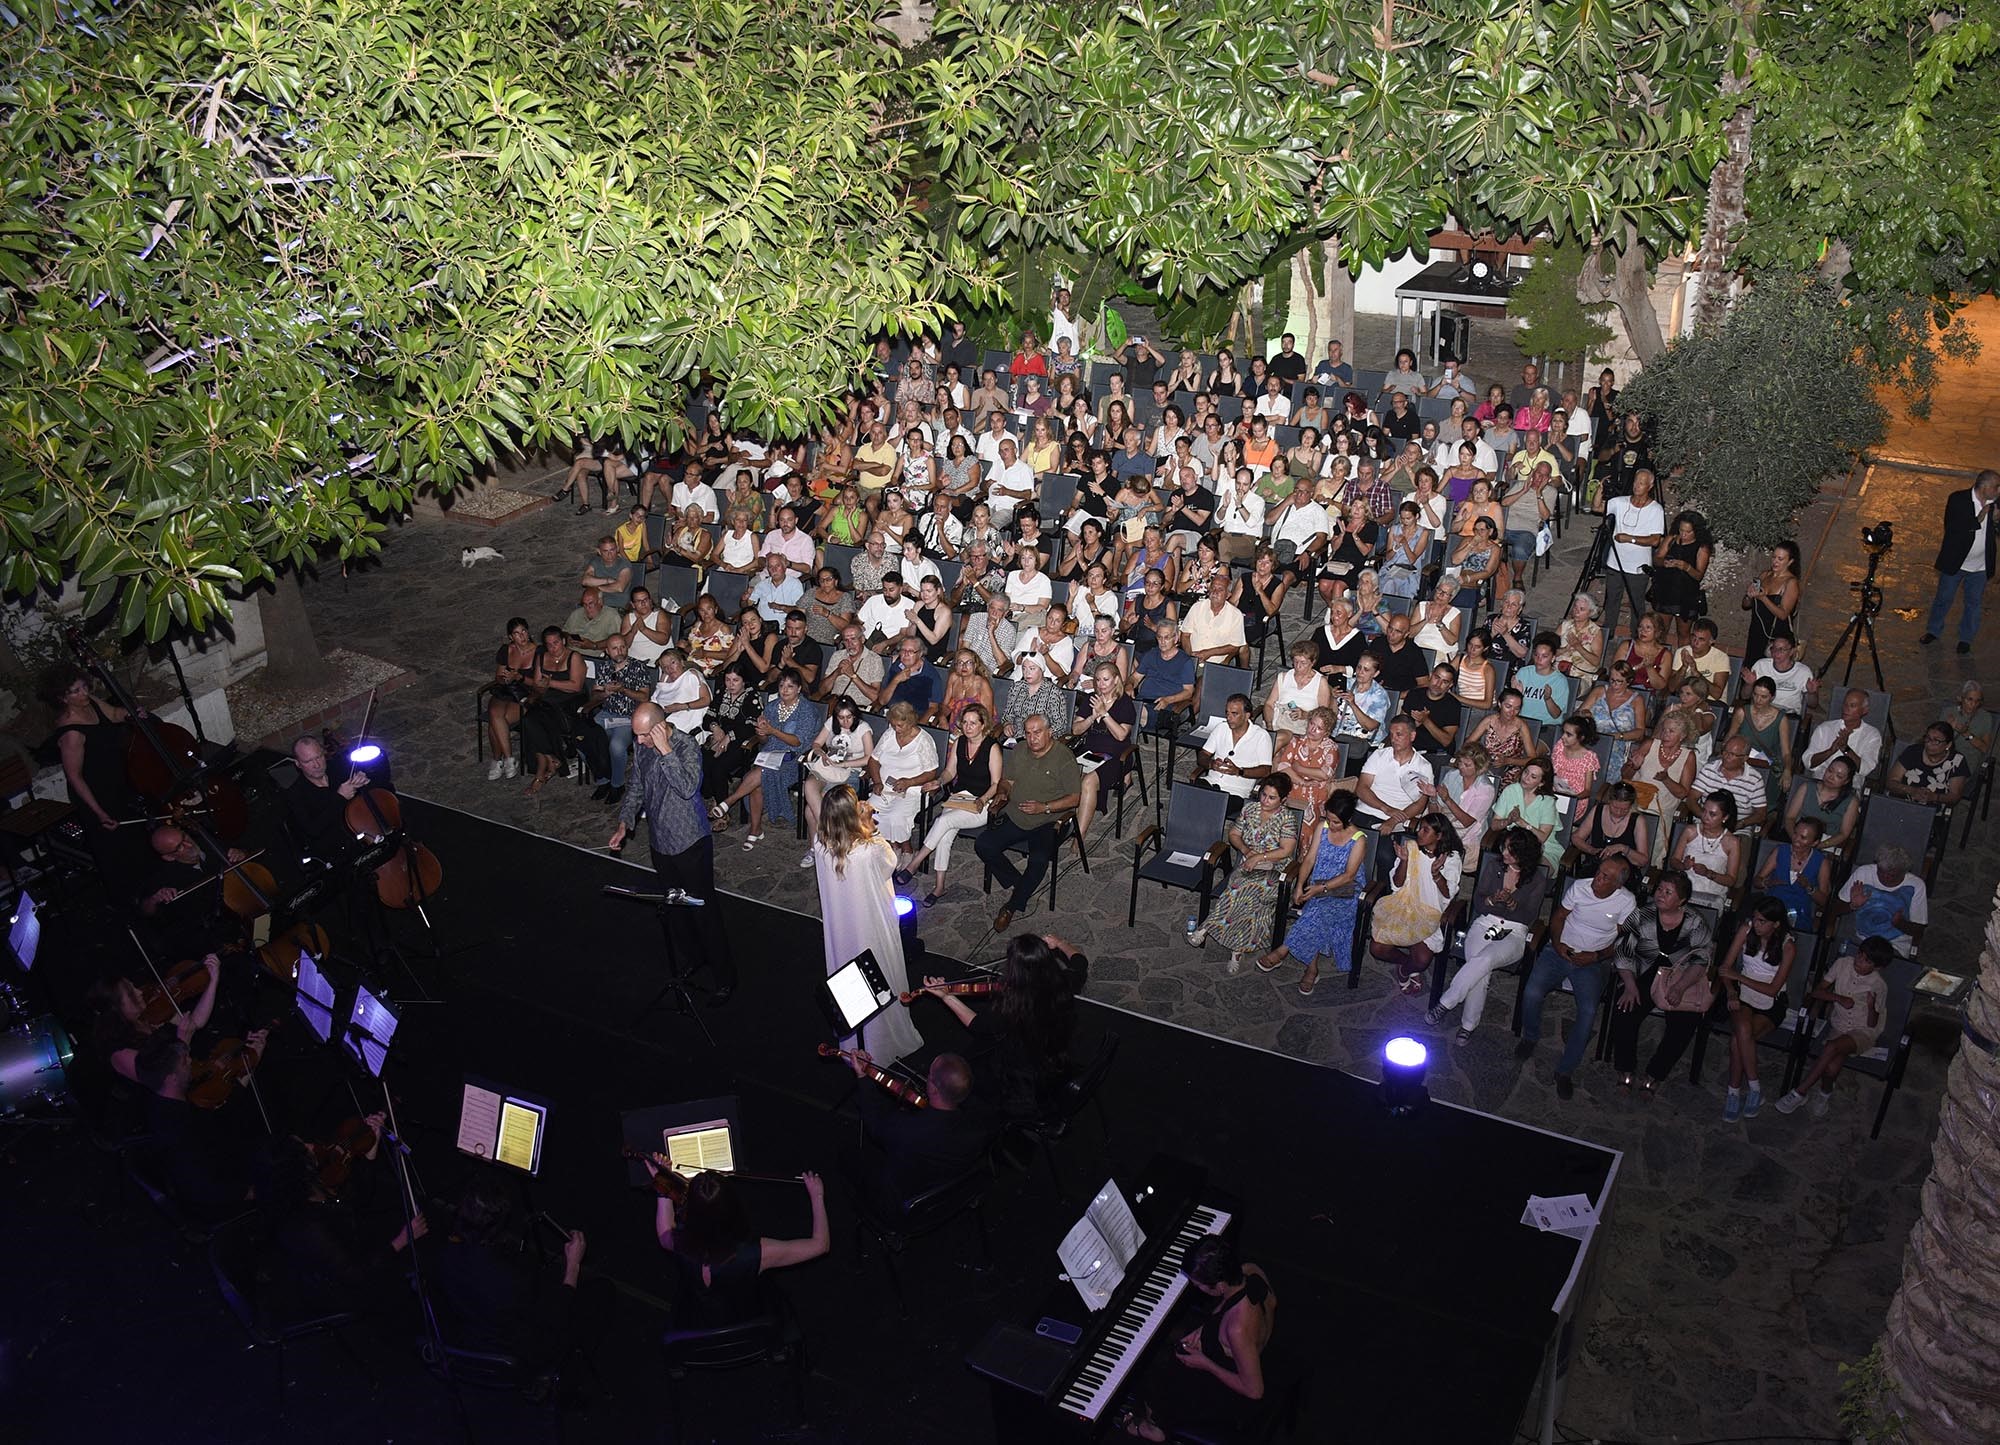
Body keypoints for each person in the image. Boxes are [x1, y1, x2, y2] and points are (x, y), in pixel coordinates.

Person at [611, 704, 735, 995]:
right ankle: (693, 958)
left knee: (704, 910)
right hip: (660, 842)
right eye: (636, 735)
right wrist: (624, 822)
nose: (638, 742)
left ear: (658, 727)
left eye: (643, 735)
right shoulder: (643, 746)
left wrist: (666, 750)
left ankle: (725, 977)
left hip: (690, 842)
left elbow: (688, 787)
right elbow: (637, 787)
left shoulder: (686, 746)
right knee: (675, 908)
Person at [1114, 1235, 1276, 1443]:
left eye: (1198, 1285)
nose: (1195, 1287)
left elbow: (1255, 1391)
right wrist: (1208, 1329)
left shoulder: (1237, 1328)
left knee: (1153, 1369)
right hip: (1247, 1349)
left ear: (1219, 1287)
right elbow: (1270, 1303)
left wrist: (1207, 1363)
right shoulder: (1251, 1270)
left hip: (1232, 1390)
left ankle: (1156, 1427)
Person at [812, 787, 925, 1061]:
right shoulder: (868, 850)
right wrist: (870, 828)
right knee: (881, 971)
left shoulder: (820, 843)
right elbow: (891, 863)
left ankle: (855, 1040)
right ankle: (885, 1041)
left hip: (842, 926)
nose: (863, 802)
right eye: (856, 802)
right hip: (870, 923)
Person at [642, 1165, 828, 1327]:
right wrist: (817, 1195)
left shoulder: (677, 1242)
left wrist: (662, 1183)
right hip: (749, 1318)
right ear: (732, 1208)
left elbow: (664, 1229)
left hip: (696, 1318)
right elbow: (820, 1245)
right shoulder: (759, 1252)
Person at [1515, 856, 1639, 1098]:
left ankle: (1565, 1070)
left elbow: (1626, 941)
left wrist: (1596, 956)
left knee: (1589, 1011)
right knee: (1532, 991)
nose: (1597, 879)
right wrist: (1559, 944)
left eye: (1605, 877)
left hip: (1592, 962)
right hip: (1560, 950)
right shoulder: (1580, 887)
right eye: (1599, 872)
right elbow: (1559, 916)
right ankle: (1530, 1036)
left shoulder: (1626, 902)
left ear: (1618, 885)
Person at [1427, 827, 1548, 1044]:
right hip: (1486, 922)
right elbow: (1480, 899)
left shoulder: (1536, 879)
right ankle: (1468, 1026)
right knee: (1480, 970)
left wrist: (1512, 904)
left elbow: (1529, 916)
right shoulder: (1494, 866)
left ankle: (1446, 1002)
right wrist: (1492, 900)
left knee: (1484, 959)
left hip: (1515, 931)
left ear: (1524, 854)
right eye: (1504, 847)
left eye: (1510, 850)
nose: (1504, 853)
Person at [838, 1049, 993, 1212]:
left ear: (933, 1089)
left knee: (849, 1156)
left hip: (900, 1205)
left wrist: (863, 1078)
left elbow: (876, 1125)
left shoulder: (909, 1130)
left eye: (930, 1075)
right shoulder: (979, 1126)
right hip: (947, 1194)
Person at [1605, 869, 1716, 1092]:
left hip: (1680, 976)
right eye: (1659, 889)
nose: (1660, 895)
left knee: (1683, 1025)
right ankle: (1625, 1068)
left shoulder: (1695, 923)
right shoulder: (1642, 915)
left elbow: (1701, 960)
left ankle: (1655, 1073)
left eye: (1668, 892)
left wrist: (1680, 987)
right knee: (1625, 1009)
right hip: (1644, 972)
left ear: (1682, 900)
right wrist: (1629, 984)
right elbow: (1623, 951)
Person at [975, 713, 1083, 931]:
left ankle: (1011, 906)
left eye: (1038, 732)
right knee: (983, 844)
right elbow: (1007, 780)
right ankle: (1020, 882)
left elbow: (1075, 798)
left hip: (1048, 820)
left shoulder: (1063, 757)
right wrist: (1003, 792)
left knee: (1039, 860)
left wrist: (1044, 807)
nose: (1032, 738)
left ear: (1050, 733)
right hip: (1017, 815)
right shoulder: (1020, 750)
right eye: (1028, 733)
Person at [43, 664, 145, 881]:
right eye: (76, 691)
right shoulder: (72, 733)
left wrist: (131, 713)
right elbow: (74, 777)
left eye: (84, 687)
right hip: (97, 792)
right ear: (63, 698)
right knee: (116, 849)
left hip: (117, 780)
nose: (84, 693)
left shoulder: (92, 703)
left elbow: (115, 714)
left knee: (137, 836)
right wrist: (99, 812)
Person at [1258, 791, 1366, 995]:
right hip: (1320, 888)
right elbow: (1308, 860)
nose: (1331, 825)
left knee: (1318, 909)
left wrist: (1320, 888)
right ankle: (1311, 968)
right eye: (1329, 819)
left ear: (1348, 819)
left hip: (1346, 892)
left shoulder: (1358, 840)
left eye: (1336, 822)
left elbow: (1349, 876)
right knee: (1318, 909)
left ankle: (1284, 950)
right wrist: (1300, 885)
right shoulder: (1322, 828)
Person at [1191, 776, 1302, 974]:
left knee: (1253, 891)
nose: (1265, 801)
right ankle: (1236, 948)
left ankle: (1213, 933)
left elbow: (1286, 850)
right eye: (1264, 795)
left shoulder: (1287, 818)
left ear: (1283, 800)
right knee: (1238, 888)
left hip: (1277, 870)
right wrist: (1247, 851)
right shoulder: (1249, 810)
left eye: (1272, 798)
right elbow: (1234, 834)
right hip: (1250, 866)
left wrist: (1260, 856)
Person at [1774, 937, 1893, 1117]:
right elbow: (1817, 991)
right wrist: (1838, 998)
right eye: (1859, 955)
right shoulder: (1843, 964)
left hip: (1863, 1031)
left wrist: (1870, 1006)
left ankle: (1800, 1091)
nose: (1859, 962)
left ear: (1877, 967)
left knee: (1831, 1046)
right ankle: (1824, 1094)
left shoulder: (1879, 985)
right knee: (1830, 1069)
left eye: (1866, 961)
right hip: (1840, 1025)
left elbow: (1872, 1023)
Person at [906, 703, 1003, 905]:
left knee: (943, 822)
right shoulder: (959, 742)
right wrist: (939, 781)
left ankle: (915, 862)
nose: (968, 727)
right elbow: (950, 772)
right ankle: (939, 886)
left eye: (973, 723)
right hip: (960, 798)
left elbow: (996, 783)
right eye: (965, 723)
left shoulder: (992, 747)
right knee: (945, 834)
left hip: (982, 803)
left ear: (983, 725)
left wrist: (982, 799)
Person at [1716, 895, 1797, 1120]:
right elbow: (1725, 968)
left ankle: (1736, 1091)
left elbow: (1773, 989)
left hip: (1771, 1001)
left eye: (1762, 921)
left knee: (1738, 1040)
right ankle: (1752, 1089)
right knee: (1742, 1031)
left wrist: (1738, 976)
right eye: (1755, 919)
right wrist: (1732, 990)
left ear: (1776, 924)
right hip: (1742, 995)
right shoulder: (1747, 930)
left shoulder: (1787, 946)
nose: (1757, 925)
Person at [721, 668, 820, 849]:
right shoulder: (772, 707)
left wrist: (772, 731)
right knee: (758, 779)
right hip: (771, 753)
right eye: (782, 685)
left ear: (798, 689)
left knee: (759, 775)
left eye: (790, 686)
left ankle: (731, 802)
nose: (785, 690)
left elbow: (798, 742)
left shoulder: (807, 710)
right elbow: (764, 741)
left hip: (795, 759)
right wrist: (761, 732)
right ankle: (755, 829)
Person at [1369, 815, 1466, 997]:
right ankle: (1406, 963)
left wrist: (1436, 874)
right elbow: (1397, 885)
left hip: (1431, 914)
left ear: (1438, 836)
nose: (1419, 833)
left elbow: (1448, 894)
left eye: (1425, 830)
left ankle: (1406, 970)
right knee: (1377, 948)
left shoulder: (1451, 858)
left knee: (1422, 961)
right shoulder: (1412, 849)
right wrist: (1405, 861)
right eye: (1420, 828)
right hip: (1405, 908)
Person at [1920, 468, 2000, 653]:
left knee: (1973, 603)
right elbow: (1953, 529)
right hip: (1956, 563)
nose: (1998, 491)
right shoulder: (1958, 499)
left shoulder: (1996, 503)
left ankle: (1966, 639)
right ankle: (1933, 630)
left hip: (1980, 566)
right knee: (1944, 599)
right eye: (1996, 487)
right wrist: (1980, 518)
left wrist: (1996, 521)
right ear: (1985, 486)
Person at [1071, 660, 1139, 844]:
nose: (1101, 685)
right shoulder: (1092, 699)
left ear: (1116, 680)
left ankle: (1079, 835)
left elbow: (1121, 735)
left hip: (1115, 755)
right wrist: (1092, 716)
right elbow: (1076, 730)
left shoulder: (1125, 703)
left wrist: (1105, 714)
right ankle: (1068, 820)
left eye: (1106, 680)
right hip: (1090, 750)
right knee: (1067, 775)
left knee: (1088, 782)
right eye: (1098, 680)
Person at [586, 631, 657, 803]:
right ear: (608, 651)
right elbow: (595, 693)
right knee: (585, 740)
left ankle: (617, 785)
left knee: (616, 747)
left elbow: (644, 697)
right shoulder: (604, 667)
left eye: (622, 647)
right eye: (615, 648)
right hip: (606, 714)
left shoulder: (638, 667)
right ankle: (603, 780)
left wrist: (623, 689)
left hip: (629, 717)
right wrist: (605, 693)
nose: (620, 651)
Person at [871, 701, 940, 876]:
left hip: (912, 789)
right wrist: (877, 781)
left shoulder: (923, 740)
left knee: (896, 816)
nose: (896, 728)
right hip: (886, 787)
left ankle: (907, 849)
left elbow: (931, 772)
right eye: (893, 725)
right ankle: (892, 847)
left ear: (910, 722)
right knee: (871, 811)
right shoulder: (889, 735)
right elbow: (873, 760)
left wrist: (909, 782)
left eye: (899, 725)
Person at [285, 733, 375, 859]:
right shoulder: (295, 794)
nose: (317, 765)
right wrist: (340, 798)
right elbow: (313, 830)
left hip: (365, 832)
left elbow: (372, 790)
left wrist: (363, 781)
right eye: (308, 761)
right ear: (298, 763)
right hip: (339, 852)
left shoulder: (337, 768)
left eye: (319, 757)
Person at [1725, 675, 1794, 813]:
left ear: (1772, 697)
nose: (1758, 700)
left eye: (1763, 697)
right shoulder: (1742, 712)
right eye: (1755, 695)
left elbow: (1786, 751)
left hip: (1766, 764)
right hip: (1742, 760)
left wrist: (1787, 770)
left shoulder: (1781, 719)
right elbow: (1729, 738)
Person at [1844, 843, 1928, 956]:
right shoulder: (1863, 872)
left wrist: (1900, 923)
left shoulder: (1916, 885)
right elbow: (1834, 909)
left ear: (1904, 872)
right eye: (1881, 871)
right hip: (1861, 938)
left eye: (1892, 875)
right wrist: (1853, 905)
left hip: (1894, 945)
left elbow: (1919, 930)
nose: (1885, 877)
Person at [483, 618, 539, 781]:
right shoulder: (506, 650)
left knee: (496, 724)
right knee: (495, 713)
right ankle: (508, 759)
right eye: (517, 633)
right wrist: (505, 678)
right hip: (506, 691)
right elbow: (498, 676)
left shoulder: (538, 652)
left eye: (524, 631)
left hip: (524, 693)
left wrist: (519, 677)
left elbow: (538, 683)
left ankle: (498, 760)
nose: (522, 636)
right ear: (510, 637)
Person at [1194, 693, 1274, 803]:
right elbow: (1203, 755)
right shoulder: (1221, 728)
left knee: (1209, 805)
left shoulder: (1261, 736)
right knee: (1189, 797)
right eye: (1227, 713)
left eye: (1234, 714)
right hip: (1210, 782)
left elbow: (1265, 771)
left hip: (1235, 792)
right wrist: (1211, 764)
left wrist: (1239, 771)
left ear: (1247, 716)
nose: (1229, 717)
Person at [1758, 815, 1832, 930]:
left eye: (1803, 837)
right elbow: (1757, 881)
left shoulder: (1821, 861)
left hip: (1798, 915)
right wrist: (1767, 883)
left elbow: (1823, 900)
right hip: (1772, 910)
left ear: (1814, 842)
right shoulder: (1781, 851)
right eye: (1795, 833)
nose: (1796, 839)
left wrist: (1809, 887)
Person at [1784, 753, 1862, 856]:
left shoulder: (1851, 801)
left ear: (1846, 781)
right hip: (1798, 836)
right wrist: (1795, 838)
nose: (1831, 777)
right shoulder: (1807, 787)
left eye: (1838, 776)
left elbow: (1844, 834)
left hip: (1826, 844)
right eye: (1830, 771)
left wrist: (1819, 845)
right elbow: (1790, 817)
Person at [1741, 539, 1802, 669]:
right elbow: (1746, 605)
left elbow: (1783, 614)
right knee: (1751, 669)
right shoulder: (1764, 575)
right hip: (1756, 633)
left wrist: (1763, 598)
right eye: (1774, 557)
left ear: (1790, 561)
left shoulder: (1791, 583)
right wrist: (1749, 595)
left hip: (1775, 638)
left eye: (1780, 559)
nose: (1775, 561)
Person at [1803, 688, 1884, 784]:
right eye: (1845, 704)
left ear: (1864, 710)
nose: (1846, 708)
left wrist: (1846, 749)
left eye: (1852, 706)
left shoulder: (1872, 735)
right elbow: (1808, 762)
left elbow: (1865, 769)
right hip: (1820, 782)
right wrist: (1830, 751)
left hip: (1849, 787)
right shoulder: (1825, 728)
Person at [1886, 720, 1970, 806]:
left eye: (1936, 741)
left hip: (1932, 808)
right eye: (1928, 738)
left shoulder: (1956, 761)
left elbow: (1954, 797)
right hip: (1901, 802)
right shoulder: (1913, 752)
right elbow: (1891, 781)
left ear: (1948, 745)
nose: (1930, 744)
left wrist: (1934, 797)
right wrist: (1911, 790)